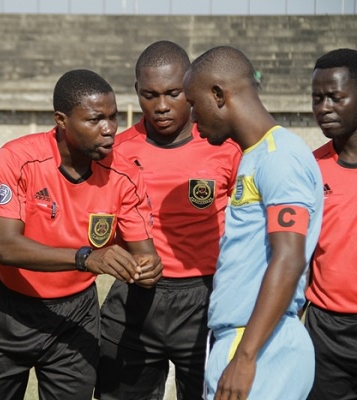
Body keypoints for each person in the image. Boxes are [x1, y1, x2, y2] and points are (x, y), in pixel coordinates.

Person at [0, 69, 163, 400]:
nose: (110, 129)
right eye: (96, 119)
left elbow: (145, 256)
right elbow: (6, 246)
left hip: (76, 316)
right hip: (8, 308)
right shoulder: (19, 158)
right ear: (62, 120)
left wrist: (148, 269)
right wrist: (86, 257)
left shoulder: (125, 174)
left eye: (113, 118)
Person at [97, 41, 241, 400]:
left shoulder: (224, 146)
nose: (161, 106)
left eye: (173, 93)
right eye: (150, 95)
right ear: (136, 93)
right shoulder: (116, 151)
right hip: (135, 298)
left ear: (190, 87)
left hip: (205, 298)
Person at [182, 46, 323, 400]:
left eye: (194, 104)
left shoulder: (280, 158)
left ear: (218, 94)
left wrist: (245, 357)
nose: (193, 118)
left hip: (259, 347)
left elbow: (289, 258)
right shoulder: (256, 156)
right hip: (245, 341)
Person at [305, 47, 357, 400]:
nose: (324, 107)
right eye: (317, 98)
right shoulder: (309, 169)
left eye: (335, 97)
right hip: (326, 330)